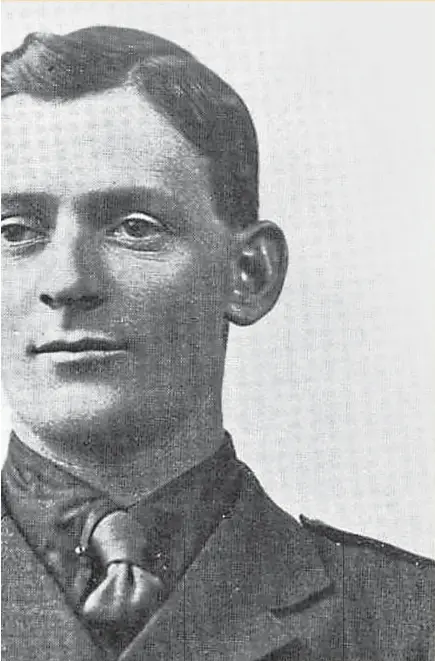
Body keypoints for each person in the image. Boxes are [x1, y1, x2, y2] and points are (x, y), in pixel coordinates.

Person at [1, 26, 434, 661]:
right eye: (15, 230)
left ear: (249, 273)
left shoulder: (412, 622)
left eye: (133, 227)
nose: (66, 280)